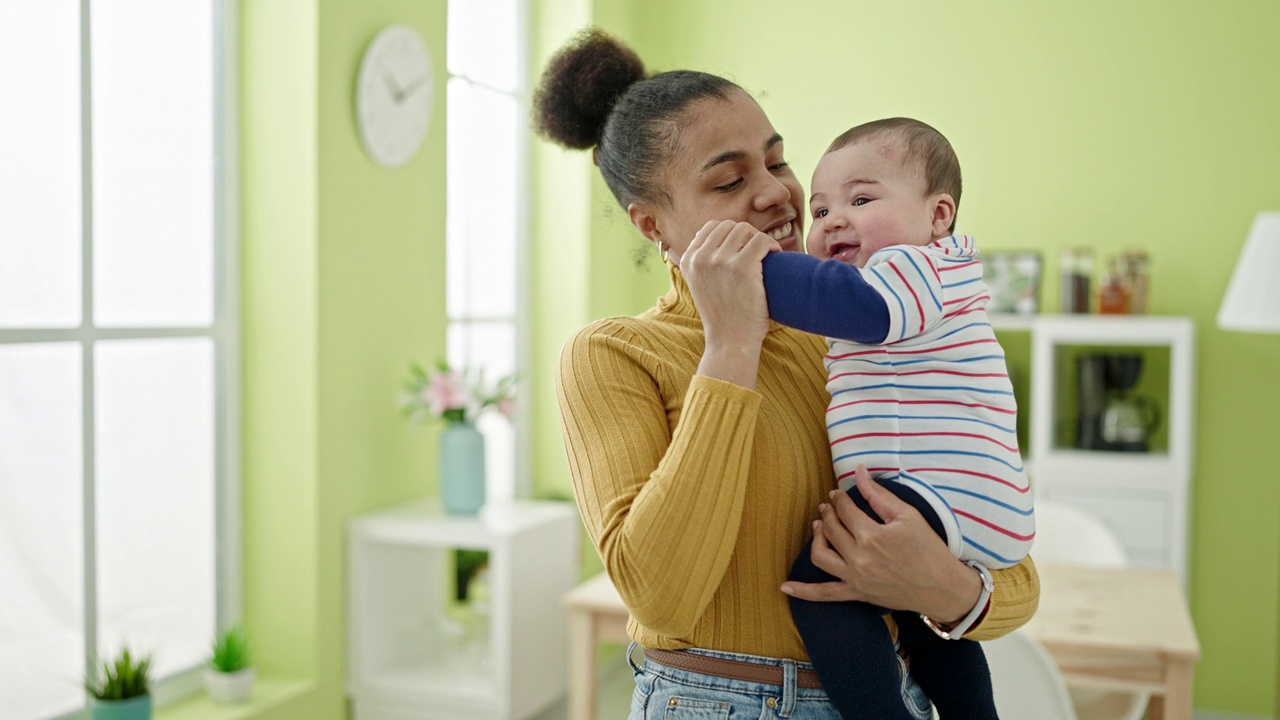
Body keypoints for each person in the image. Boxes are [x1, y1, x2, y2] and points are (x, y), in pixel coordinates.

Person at [535, 28, 1040, 720]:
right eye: (731, 179)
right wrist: (732, 343)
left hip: (889, 693)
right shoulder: (612, 356)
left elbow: (1016, 578)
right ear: (653, 227)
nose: (778, 194)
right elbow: (660, 594)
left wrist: (945, 588)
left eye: (778, 162)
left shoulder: (853, 341)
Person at [761, 117, 1036, 719]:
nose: (832, 219)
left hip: (943, 493)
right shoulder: (917, 284)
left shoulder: (919, 269)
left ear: (939, 216)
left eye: (861, 199)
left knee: (824, 576)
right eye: (823, 208)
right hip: (956, 502)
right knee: (913, 618)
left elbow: (847, 302)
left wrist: (750, 264)